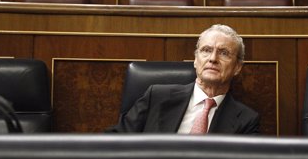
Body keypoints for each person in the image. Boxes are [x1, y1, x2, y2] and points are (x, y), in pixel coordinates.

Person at [107, 24, 260, 134]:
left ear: (237, 67)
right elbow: (116, 139)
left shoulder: (246, 120)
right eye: (206, 50)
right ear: (195, 60)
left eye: (224, 53)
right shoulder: (157, 96)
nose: (213, 59)